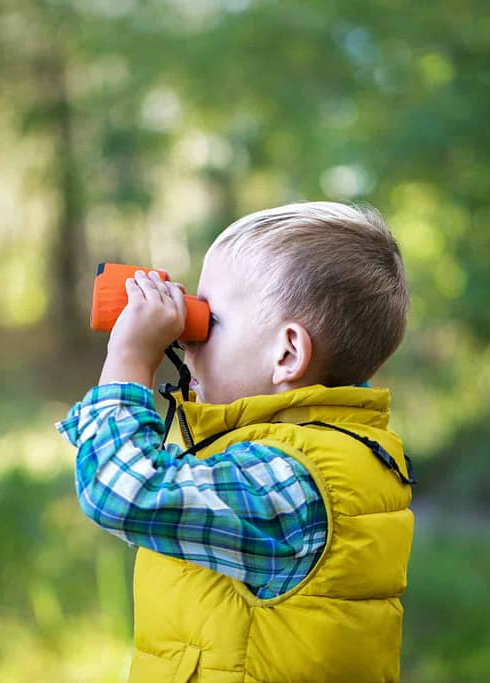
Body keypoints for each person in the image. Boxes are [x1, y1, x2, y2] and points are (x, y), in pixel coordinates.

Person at [55, 201, 415, 682]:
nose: (186, 341)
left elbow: (123, 492)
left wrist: (130, 357)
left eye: (209, 322)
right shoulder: (323, 451)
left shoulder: (291, 479)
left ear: (287, 353)